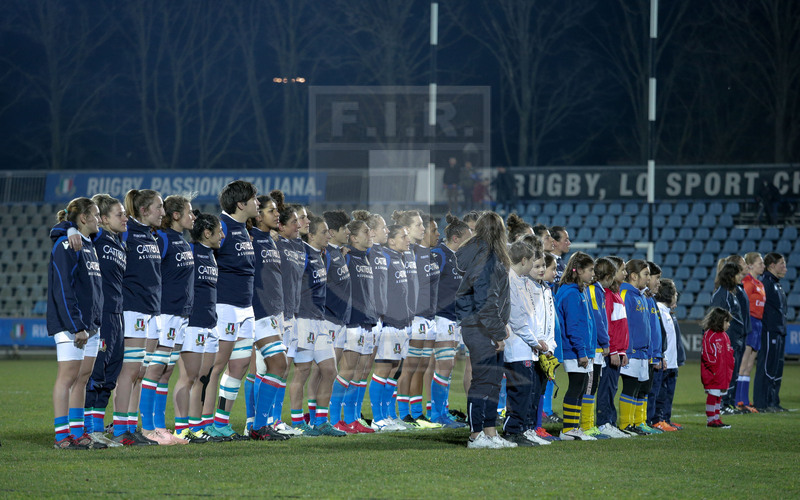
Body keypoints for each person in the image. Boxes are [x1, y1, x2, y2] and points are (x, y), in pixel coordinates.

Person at [48, 198, 105, 449]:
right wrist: (76, 325)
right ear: (83, 218)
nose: (100, 219)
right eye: (95, 214)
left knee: (83, 378)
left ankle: (78, 432)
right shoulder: (66, 245)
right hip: (72, 326)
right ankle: (62, 437)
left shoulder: (88, 243)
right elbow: (63, 289)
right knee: (67, 378)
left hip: (90, 325)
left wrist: (94, 325)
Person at [457, 212, 515, 449]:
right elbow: (485, 301)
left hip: (483, 326)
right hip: (481, 327)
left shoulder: (481, 254)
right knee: (482, 382)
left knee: (492, 382)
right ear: (501, 233)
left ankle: (490, 433)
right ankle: (475, 435)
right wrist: (498, 332)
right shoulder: (487, 258)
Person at [207, 180, 260, 441]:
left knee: (239, 367)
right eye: (254, 199)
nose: (257, 203)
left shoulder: (242, 228)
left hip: (245, 308)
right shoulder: (222, 227)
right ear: (241, 204)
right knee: (216, 366)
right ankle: (203, 423)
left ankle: (221, 422)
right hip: (225, 306)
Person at [141, 195, 196, 446]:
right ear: (176, 215)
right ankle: (147, 427)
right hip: (164, 313)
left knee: (167, 371)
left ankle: (160, 427)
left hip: (180, 315)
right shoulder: (162, 239)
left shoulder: (183, 241)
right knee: (154, 370)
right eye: (189, 212)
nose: (192, 216)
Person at [114, 189, 164, 446]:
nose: (162, 212)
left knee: (140, 371)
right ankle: (121, 428)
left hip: (149, 311)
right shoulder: (127, 233)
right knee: (129, 370)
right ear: (144, 210)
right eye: (158, 207)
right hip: (132, 308)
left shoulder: (150, 235)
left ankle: (129, 426)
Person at [289, 216, 345, 436]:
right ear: (311, 235)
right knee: (301, 372)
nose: (328, 236)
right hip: (303, 319)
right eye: (324, 232)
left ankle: (320, 421)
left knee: (330, 370)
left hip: (320, 321)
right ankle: (297, 421)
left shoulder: (323, 255)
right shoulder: (301, 253)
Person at [174, 213, 225, 443]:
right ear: (207, 233)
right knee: (188, 378)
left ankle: (196, 427)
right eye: (219, 231)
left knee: (202, 378)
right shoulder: (191, 253)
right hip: (193, 324)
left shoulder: (211, 254)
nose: (222, 235)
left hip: (210, 324)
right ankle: (181, 427)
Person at [84, 194, 127, 448]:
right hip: (101, 314)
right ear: (103, 219)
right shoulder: (97, 236)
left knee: (111, 374)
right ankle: (90, 429)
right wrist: (67, 230)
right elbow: (66, 224)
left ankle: (98, 428)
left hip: (118, 315)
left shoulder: (119, 242)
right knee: (96, 373)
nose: (125, 218)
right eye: (119, 214)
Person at [248, 195, 291, 441]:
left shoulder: (269, 240)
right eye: (271, 211)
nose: (277, 214)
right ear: (258, 215)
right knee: (276, 364)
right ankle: (257, 425)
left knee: (269, 368)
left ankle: (259, 425)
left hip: (273, 312)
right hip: (258, 311)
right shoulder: (252, 241)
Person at [332, 219, 378, 433]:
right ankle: (334, 419)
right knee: (347, 371)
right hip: (352, 321)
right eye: (366, 232)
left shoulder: (365, 257)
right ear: (354, 238)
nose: (371, 235)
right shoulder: (347, 256)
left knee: (360, 373)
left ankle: (352, 418)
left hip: (367, 320)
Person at [370, 224, 414, 431]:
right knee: (382, 370)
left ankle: (389, 414)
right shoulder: (384, 257)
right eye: (403, 236)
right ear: (392, 241)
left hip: (402, 324)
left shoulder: (400, 258)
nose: (408, 240)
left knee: (395, 370)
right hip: (389, 323)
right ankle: (378, 418)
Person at [430, 214, 472, 428]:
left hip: (456, 319)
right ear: (456, 238)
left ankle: (441, 411)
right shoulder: (438, 254)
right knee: (444, 365)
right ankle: (438, 415)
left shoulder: (461, 257)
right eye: (468, 238)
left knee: (450, 364)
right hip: (442, 317)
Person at [501, 241, 545, 447]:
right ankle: (512, 430)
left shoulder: (520, 280)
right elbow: (517, 318)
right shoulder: (510, 280)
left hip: (525, 346)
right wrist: (534, 341)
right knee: (520, 391)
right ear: (524, 260)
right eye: (533, 262)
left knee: (527, 391)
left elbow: (529, 315)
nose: (535, 267)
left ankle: (523, 429)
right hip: (516, 346)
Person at [555, 251, 597, 441]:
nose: (592, 274)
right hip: (573, 350)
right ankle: (568, 429)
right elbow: (573, 327)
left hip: (579, 349)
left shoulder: (579, 291)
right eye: (589, 270)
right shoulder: (571, 293)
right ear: (579, 271)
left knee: (580, 388)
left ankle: (573, 427)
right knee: (576, 387)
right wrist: (581, 351)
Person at [272, 191, 305, 433]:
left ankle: (275, 420)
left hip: (292, 314)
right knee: (270, 370)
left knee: (283, 370)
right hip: (277, 313)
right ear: (281, 225)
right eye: (294, 221)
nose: (299, 224)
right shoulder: (276, 243)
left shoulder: (298, 246)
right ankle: (264, 421)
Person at [596, 256, 631, 438]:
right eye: (622, 270)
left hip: (617, 351)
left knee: (612, 388)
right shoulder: (608, 295)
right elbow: (607, 325)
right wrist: (614, 350)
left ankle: (610, 421)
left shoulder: (617, 294)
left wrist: (623, 350)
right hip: (611, 353)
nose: (625, 273)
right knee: (606, 388)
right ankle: (603, 423)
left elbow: (620, 327)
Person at [582, 257, 616, 438]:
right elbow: (598, 319)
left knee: (592, 385)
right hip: (594, 346)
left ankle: (590, 425)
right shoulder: (594, 291)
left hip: (597, 346)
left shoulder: (598, 291)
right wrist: (605, 341)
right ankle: (587, 426)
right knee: (590, 386)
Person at [618, 259, 652, 436]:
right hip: (631, 352)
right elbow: (623, 325)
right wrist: (627, 349)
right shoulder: (626, 295)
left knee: (640, 388)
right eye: (645, 274)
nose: (648, 278)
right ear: (633, 276)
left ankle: (636, 423)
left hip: (643, 352)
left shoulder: (641, 296)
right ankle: (625, 424)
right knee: (630, 388)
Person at [753, 252, 788, 412]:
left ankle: (773, 401)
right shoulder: (766, 283)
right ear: (772, 265)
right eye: (782, 264)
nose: (785, 268)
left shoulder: (776, 283)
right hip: (769, 332)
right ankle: (762, 403)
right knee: (766, 367)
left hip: (779, 331)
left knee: (776, 367)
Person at [710, 261, 745, 415]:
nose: (741, 276)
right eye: (738, 274)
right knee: (725, 373)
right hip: (727, 340)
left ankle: (729, 402)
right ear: (731, 276)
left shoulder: (731, 293)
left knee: (733, 372)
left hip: (735, 338)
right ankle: (722, 404)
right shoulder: (722, 295)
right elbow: (717, 319)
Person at [652, 279, 683, 431]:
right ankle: (657, 419)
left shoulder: (666, 311)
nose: (676, 295)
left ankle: (665, 419)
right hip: (664, 361)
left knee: (667, 393)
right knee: (660, 393)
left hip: (671, 362)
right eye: (675, 292)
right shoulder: (659, 310)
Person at [738, 252, 765, 412]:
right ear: (750, 266)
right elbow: (743, 306)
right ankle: (739, 400)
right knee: (743, 364)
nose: (763, 266)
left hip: (758, 324)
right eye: (760, 263)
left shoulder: (759, 284)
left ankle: (745, 400)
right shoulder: (747, 283)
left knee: (749, 365)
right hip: (750, 322)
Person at [701, 307, 734, 428]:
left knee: (719, 396)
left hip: (723, 374)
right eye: (727, 321)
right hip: (714, 374)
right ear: (720, 321)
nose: (729, 325)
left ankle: (716, 418)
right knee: (713, 396)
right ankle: (711, 419)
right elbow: (707, 355)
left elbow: (729, 354)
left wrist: (730, 367)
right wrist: (715, 369)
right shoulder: (709, 335)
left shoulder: (725, 336)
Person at [643, 261, 665, 432]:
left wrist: (659, 354)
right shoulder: (643, 298)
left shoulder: (650, 299)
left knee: (649, 390)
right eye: (657, 278)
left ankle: (646, 421)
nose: (659, 282)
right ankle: (644, 421)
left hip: (653, 354)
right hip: (646, 354)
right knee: (644, 390)